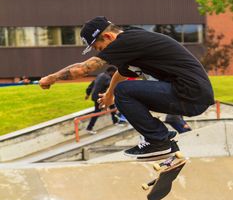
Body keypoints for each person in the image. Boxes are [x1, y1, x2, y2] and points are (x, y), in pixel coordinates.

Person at [39, 16, 215, 158]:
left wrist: (51, 78)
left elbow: (83, 69)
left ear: (108, 37)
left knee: (123, 92)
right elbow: (122, 72)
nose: (100, 53)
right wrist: (108, 95)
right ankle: (163, 142)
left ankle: (158, 141)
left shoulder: (125, 42)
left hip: (189, 94)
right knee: (121, 91)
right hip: (192, 96)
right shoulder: (132, 42)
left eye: (98, 48)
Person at [85, 66, 119, 134]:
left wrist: (88, 94)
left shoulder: (100, 75)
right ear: (111, 72)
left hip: (95, 96)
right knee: (97, 112)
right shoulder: (108, 78)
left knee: (112, 106)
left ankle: (115, 122)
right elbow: (110, 86)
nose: (114, 75)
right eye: (114, 73)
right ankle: (89, 128)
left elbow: (91, 85)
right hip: (100, 97)